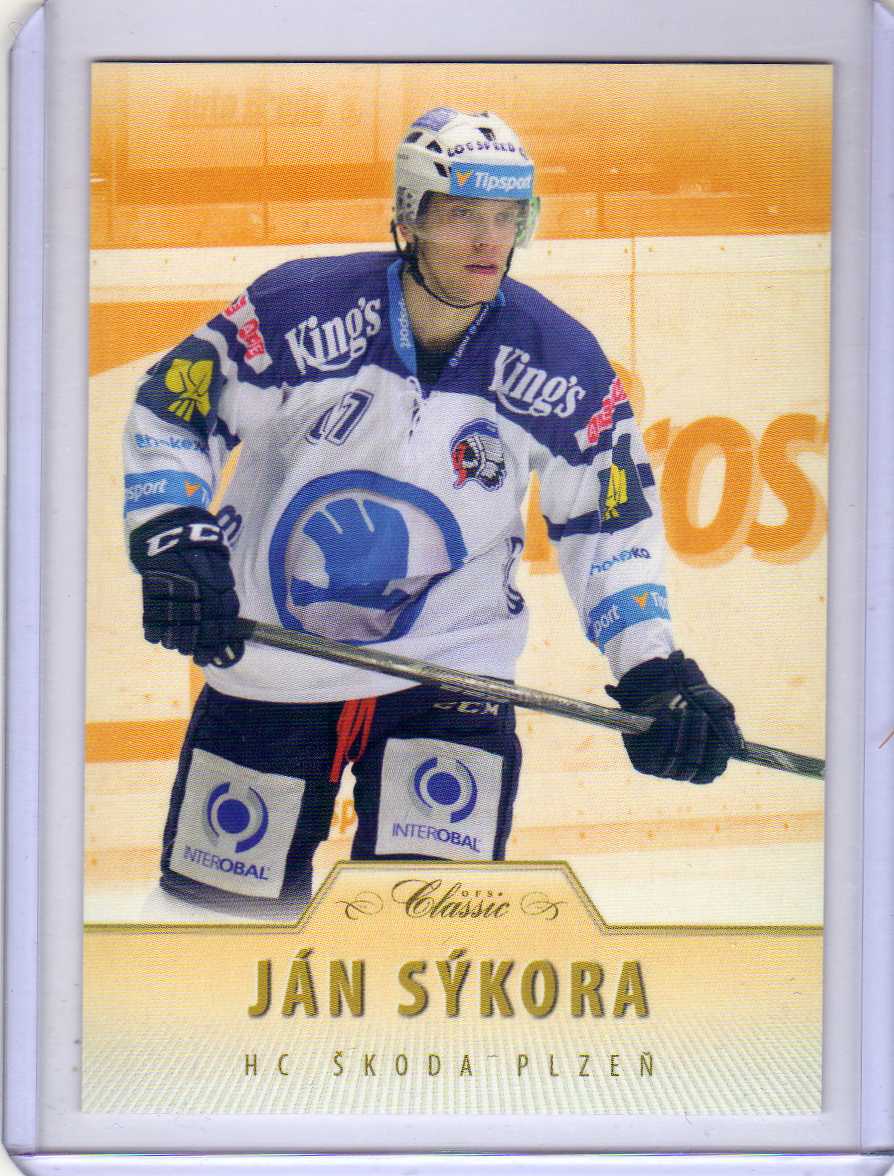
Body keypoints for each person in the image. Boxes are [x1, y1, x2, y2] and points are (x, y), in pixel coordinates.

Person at [123, 107, 744, 915]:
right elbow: (177, 410)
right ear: (409, 217)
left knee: (428, 930)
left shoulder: (564, 363)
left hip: (453, 673)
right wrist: (173, 537)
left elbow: (609, 523)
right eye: (461, 215)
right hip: (271, 666)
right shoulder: (296, 309)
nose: (489, 241)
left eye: (506, 217)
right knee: (217, 930)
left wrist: (651, 667)